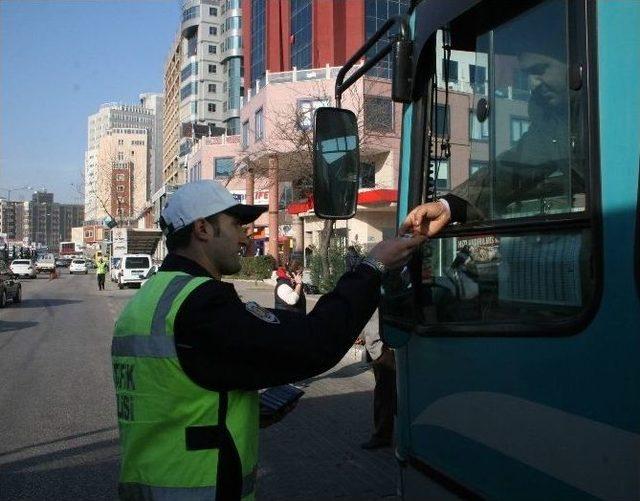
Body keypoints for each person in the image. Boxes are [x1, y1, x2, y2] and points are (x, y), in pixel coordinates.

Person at [111, 180, 425, 500]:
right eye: (235, 224)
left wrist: (242, 408)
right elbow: (314, 343)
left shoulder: (148, 300)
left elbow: (174, 395)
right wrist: (373, 267)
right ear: (203, 229)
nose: (245, 237)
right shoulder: (201, 304)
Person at [359, 328, 396, 450]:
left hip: (386, 347)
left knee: (384, 392)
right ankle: (383, 433)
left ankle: (383, 435)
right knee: (384, 391)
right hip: (377, 346)